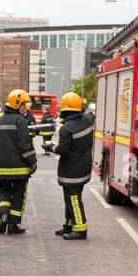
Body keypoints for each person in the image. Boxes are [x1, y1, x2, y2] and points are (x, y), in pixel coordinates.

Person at [0, 90, 36, 235]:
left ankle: (3, 213)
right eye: (24, 105)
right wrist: (32, 162)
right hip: (19, 168)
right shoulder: (20, 121)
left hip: (2, 168)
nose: (26, 108)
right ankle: (13, 225)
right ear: (16, 105)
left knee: (3, 191)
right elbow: (25, 144)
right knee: (18, 194)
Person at [52, 91, 95, 239]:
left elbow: (63, 150)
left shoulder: (66, 128)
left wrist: (50, 147)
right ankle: (68, 226)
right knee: (70, 199)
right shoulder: (88, 120)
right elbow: (91, 113)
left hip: (72, 171)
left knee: (74, 200)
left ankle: (80, 230)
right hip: (83, 169)